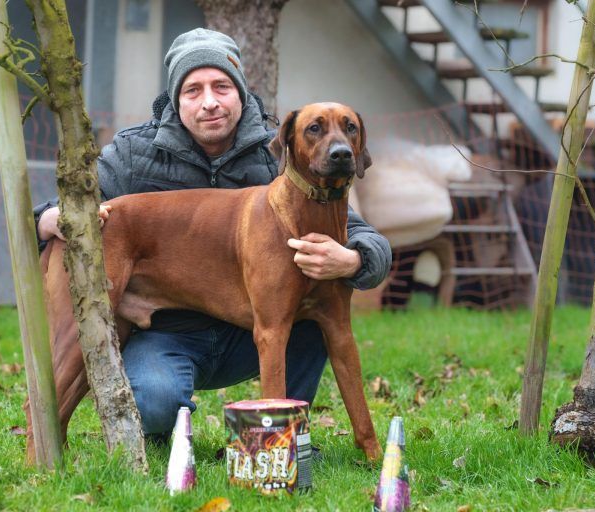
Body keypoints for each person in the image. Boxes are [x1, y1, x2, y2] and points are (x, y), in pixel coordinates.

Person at [34, 28, 391, 438]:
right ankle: (60, 435)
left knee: (314, 321)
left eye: (221, 86)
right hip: (170, 335)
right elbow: (67, 204)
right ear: (176, 98)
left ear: (240, 93)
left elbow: (365, 238)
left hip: (245, 335)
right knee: (141, 393)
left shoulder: (278, 154)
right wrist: (48, 219)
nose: (209, 101)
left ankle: (283, 442)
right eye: (193, 90)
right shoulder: (134, 154)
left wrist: (354, 259)